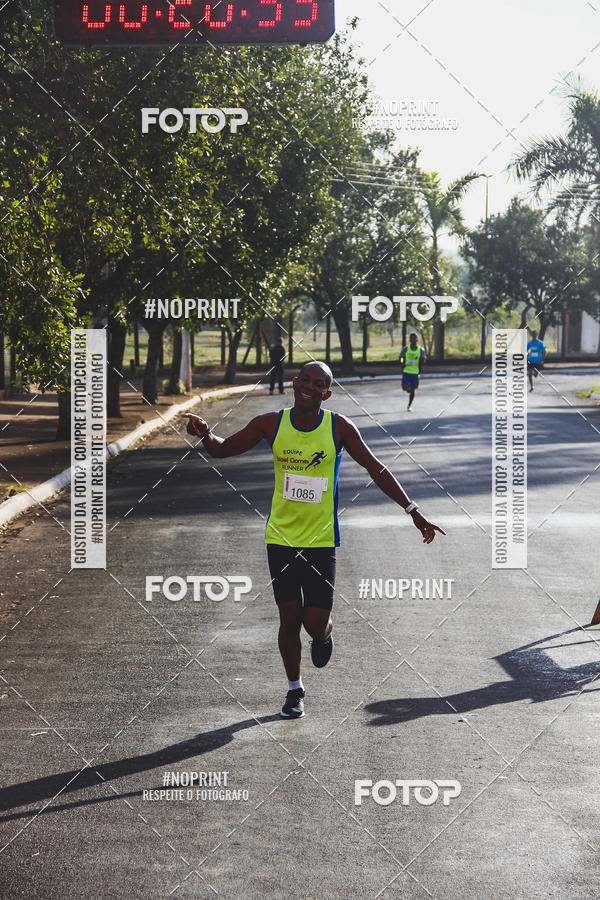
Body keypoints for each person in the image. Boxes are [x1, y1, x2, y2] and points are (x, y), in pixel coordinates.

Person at [186, 361, 445, 719]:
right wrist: (204, 433)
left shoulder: (339, 428)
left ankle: (323, 635)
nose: (309, 387)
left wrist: (413, 511)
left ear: (327, 393)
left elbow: (376, 468)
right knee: (289, 618)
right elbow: (222, 449)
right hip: (280, 538)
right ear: (294, 384)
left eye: (318, 383)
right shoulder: (270, 424)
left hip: (321, 541)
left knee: (314, 624)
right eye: (304, 380)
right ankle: (295, 690)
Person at [399, 333, 426, 411]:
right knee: (404, 387)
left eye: (415, 338)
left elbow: (424, 358)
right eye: (412, 338)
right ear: (410, 340)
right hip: (406, 371)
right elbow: (401, 357)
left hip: (415, 372)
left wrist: (423, 359)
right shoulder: (406, 349)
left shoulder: (420, 349)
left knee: (413, 390)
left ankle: (409, 405)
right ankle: (409, 388)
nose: (413, 339)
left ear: (417, 339)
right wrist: (402, 362)